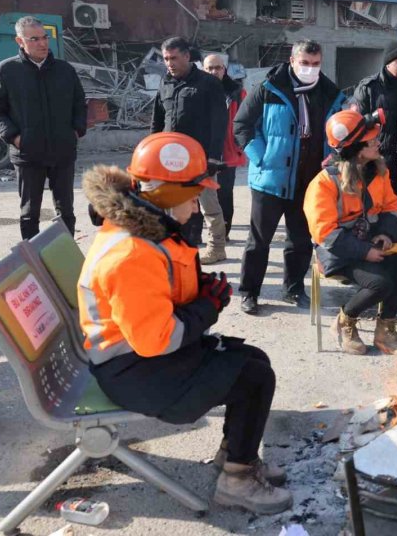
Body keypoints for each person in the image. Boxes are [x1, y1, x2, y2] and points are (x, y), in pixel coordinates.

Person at [78, 132, 292, 513]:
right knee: (253, 378)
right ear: (167, 195)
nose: (195, 208)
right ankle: (237, 482)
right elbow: (157, 340)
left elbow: (158, 297)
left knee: (255, 360)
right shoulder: (130, 253)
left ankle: (235, 457)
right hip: (132, 372)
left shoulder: (145, 228)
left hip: (135, 359)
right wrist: (205, 308)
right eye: (192, 197)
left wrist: (200, 293)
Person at [235, 40, 345, 314]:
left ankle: (293, 289)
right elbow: (242, 124)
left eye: (315, 64)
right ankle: (249, 292)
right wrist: (261, 156)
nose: (310, 69)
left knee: (299, 240)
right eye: (305, 63)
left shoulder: (330, 93)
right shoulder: (269, 88)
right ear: (293, 61)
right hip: (271, 179)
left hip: (309, 181)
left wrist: (333, 157)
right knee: (259, 241)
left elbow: (338, 132)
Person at [304, 110, 397, 356]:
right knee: (380, 283)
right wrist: (365, 252)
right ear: (356, 149)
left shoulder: (378, 172)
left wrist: (386, 234)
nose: (378, 142)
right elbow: (325, 233)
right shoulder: (323, 183)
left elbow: (391, 207)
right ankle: (345, 322)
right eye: (372, 140)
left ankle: (385, 330)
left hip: (368, 244)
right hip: (336, 252)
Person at [0, 16, 86, 240]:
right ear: (19, 41)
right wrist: (14, 136)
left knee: (65, 212)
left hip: (62, 152)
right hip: (28, 153)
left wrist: (76, 130)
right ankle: (33, 264)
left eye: (45, 37)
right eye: (34, 39)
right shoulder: (6, 71)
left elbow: (80, 103)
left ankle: (65, 261)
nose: (43, 43)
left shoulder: (64, 70)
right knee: (30, 213)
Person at [151, 37, 228, 264]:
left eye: (174, 58)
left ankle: (217, 248)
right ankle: (176, 247)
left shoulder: (209, 83)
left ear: (187, 56)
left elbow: (219, 123)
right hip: (169, 159)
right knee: (172, 206)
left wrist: (213, 157)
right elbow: (157, 121)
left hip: (200, 159)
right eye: (166, 59)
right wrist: (152, 151)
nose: (169, 63)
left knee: (208, 205)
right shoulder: (164, 83)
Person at [349, 40, 397, 240]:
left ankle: (392, 259)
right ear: (388, 61)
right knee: (369, 222)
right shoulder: (369, 88)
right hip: (374, 166)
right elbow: (355, 128)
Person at [203, 54, 247, 240]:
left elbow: (247, 121)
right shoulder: (197, 90)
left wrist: (240, 145)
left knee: (224, 194)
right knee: (200, 193)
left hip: (228, 153)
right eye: (210, 68)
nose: (214, 72)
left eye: (218, 68)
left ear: (224, 69)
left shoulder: (237, 92)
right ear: (204, 70)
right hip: (202, 151)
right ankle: (199, 233)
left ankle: (224, 233)